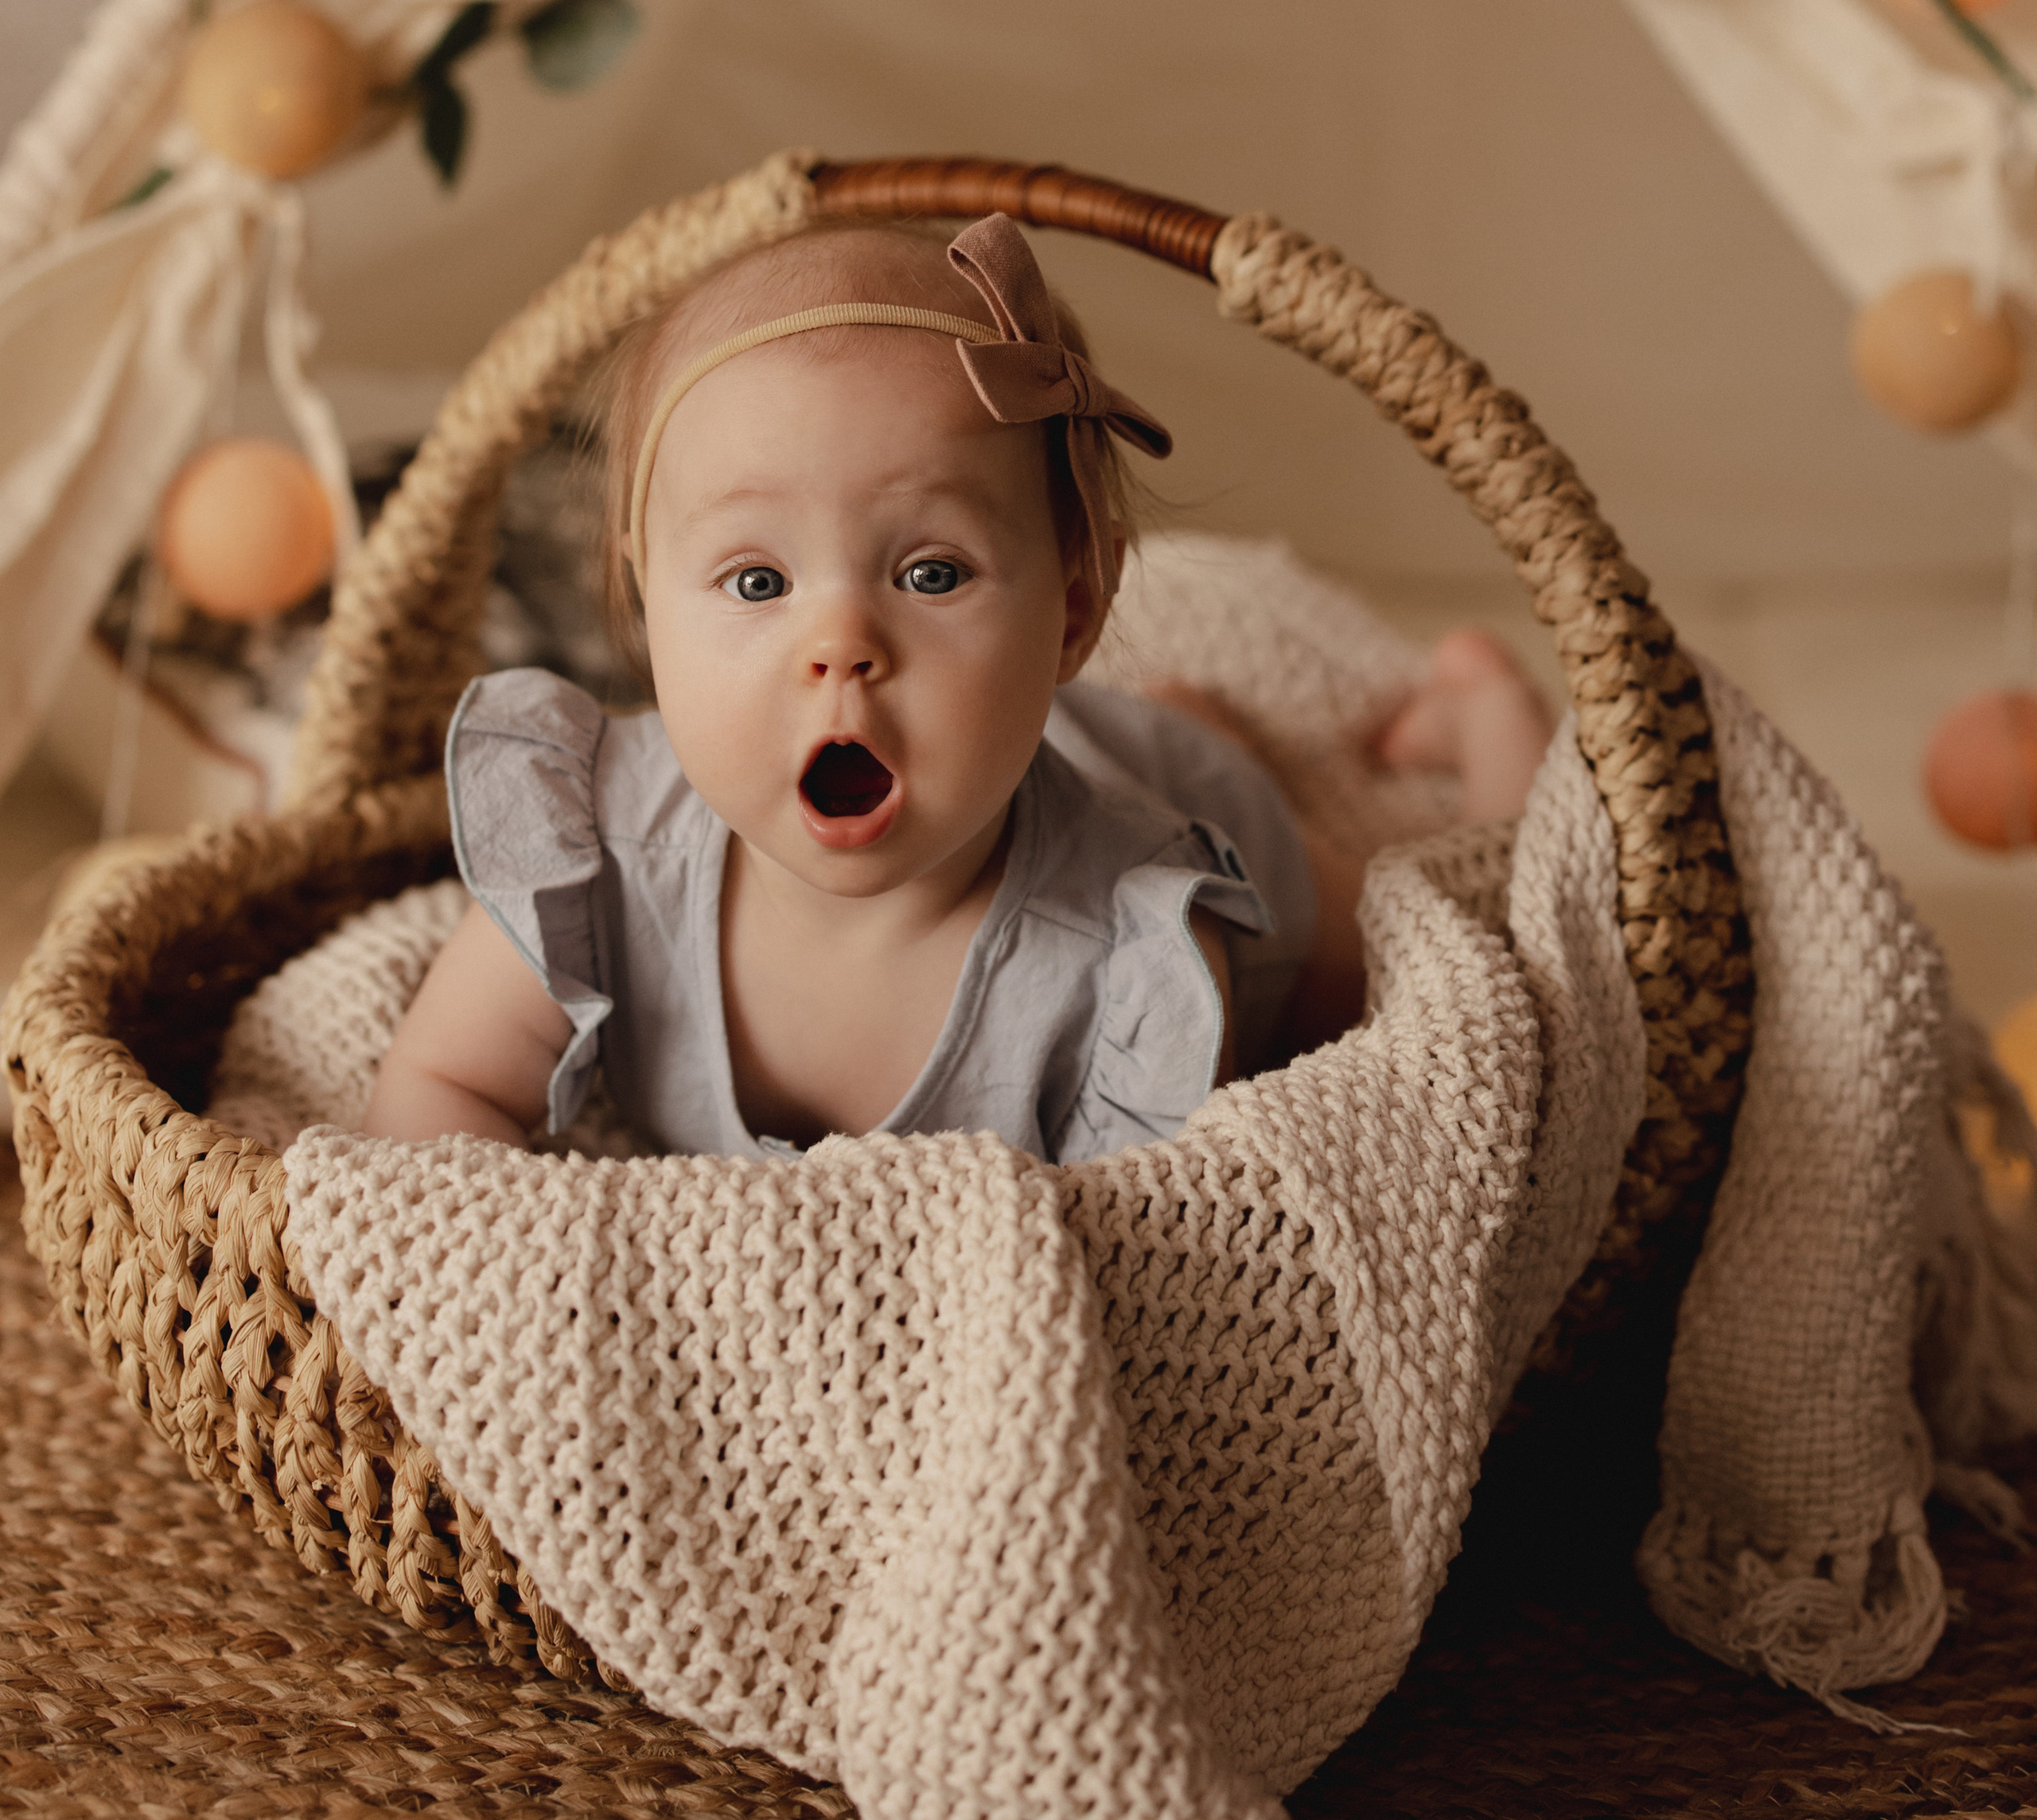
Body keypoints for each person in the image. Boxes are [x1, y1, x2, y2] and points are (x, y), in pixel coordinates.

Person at [363, 213, 1552, 1158]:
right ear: (644, 605)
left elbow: (1159, 1270)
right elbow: (440, 1085)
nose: (838, 644)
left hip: (1183, 807)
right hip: (1073, 735)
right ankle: (1191, 714)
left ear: (1075, 609)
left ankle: (1486, 717)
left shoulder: (1131, 958)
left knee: (1442, 955)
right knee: (1144, 733)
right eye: (756, 579)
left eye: (931, 572)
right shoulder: (600, 847)